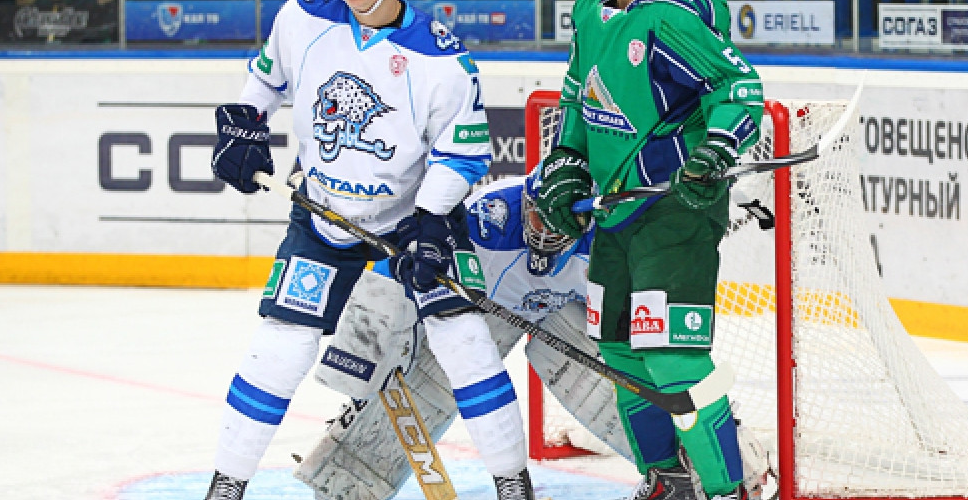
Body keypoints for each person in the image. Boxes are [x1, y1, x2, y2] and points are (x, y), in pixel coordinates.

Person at [204, 0, 534, 500]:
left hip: (414, 219)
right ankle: (227, 484)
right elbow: (267, 79)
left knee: (464, 342)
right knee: (282, 344)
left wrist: (432, 222)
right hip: (323, 216)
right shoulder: (303, 17)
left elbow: (462, 156)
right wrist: (243, 125)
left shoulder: (440, 57)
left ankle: (513, 483)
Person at [298, 170, 774, 500]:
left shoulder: (607, 244)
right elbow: (396, 267)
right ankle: (345, 478)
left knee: (626, 376)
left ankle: (708, 471)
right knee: (438, 377)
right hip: (493, 307)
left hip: (574, 309)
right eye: (536, 216)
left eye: (558, 224)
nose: (543, 231)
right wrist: (369, 354)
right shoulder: (487, 223)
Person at [536, 0, 767, 500]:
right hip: (614, 211)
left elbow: (739, 86)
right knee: (620, 354)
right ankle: (668, 480)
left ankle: (729, 489)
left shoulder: (670, 16)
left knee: (673, 359)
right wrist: (565, 162)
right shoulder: (590, 10)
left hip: (676, 208)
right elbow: (577, 99)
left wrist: (718, 147)